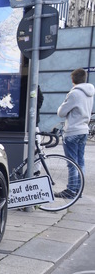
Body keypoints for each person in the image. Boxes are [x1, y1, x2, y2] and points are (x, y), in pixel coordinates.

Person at [56, 68, 94, 199]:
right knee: (80, 162)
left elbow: (61, 112)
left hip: (72, 130)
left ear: (73, 80)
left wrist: (62, 106)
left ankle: (71, 190)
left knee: (71, 162)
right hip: (84, 130)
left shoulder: (74, 94)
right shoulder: (90, 93)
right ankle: (79, 190)